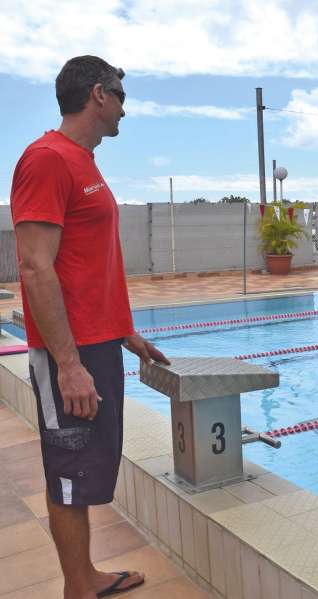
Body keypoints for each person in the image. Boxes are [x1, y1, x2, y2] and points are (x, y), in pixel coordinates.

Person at [11, 56, 169, 599]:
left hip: (97, 343)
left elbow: (85, 262)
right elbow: (35, 265)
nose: (126, 107)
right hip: (69, 354)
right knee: (69, 468)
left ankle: (86, 575)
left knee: (88, 466)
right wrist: (69, 364)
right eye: (122, 96)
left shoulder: (82, 161)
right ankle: (78, 587)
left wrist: (124, 330)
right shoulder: (47, 160)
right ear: (99, 95)